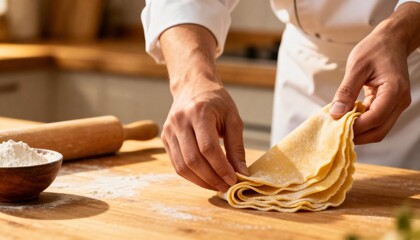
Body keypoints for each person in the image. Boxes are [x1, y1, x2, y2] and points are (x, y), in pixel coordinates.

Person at [141, 0, 420, 192]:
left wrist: (400, 33)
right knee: (288, 206)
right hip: (304, 62)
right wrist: (191, 80)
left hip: (409, 60)